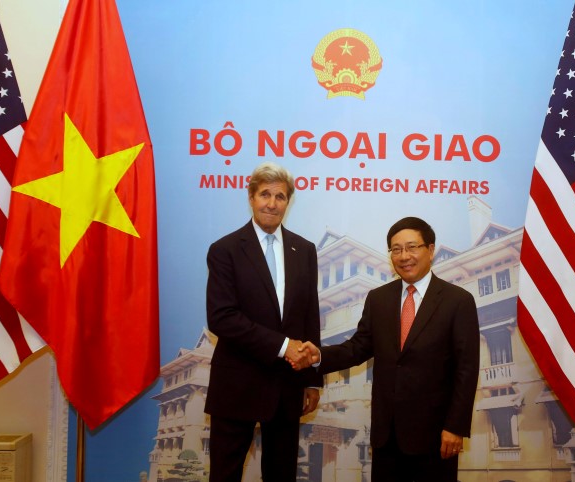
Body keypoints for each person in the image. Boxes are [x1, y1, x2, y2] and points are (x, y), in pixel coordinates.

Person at [294, 217, 480, 481]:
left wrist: (455, 427)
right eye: (396, 249)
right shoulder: (378, 299)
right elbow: (358, 348)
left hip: (436, 437)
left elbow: (467, 369)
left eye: (412, 247)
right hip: (387, 436)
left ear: (430, 249)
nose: (404, 256)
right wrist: (319, 356)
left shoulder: (458, 301)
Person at [205, 162, 322, 482]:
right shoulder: (224, 250)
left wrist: (312, 377)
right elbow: (221, 317)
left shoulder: (305, 250)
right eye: (265, 194)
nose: (272, 203)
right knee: (224, 475)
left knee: (281, 474)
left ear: (289, 201)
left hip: (287, 385)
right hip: (236, 384)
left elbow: (310, 314)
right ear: (251, 197)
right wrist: (284, 347)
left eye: (280, 196)